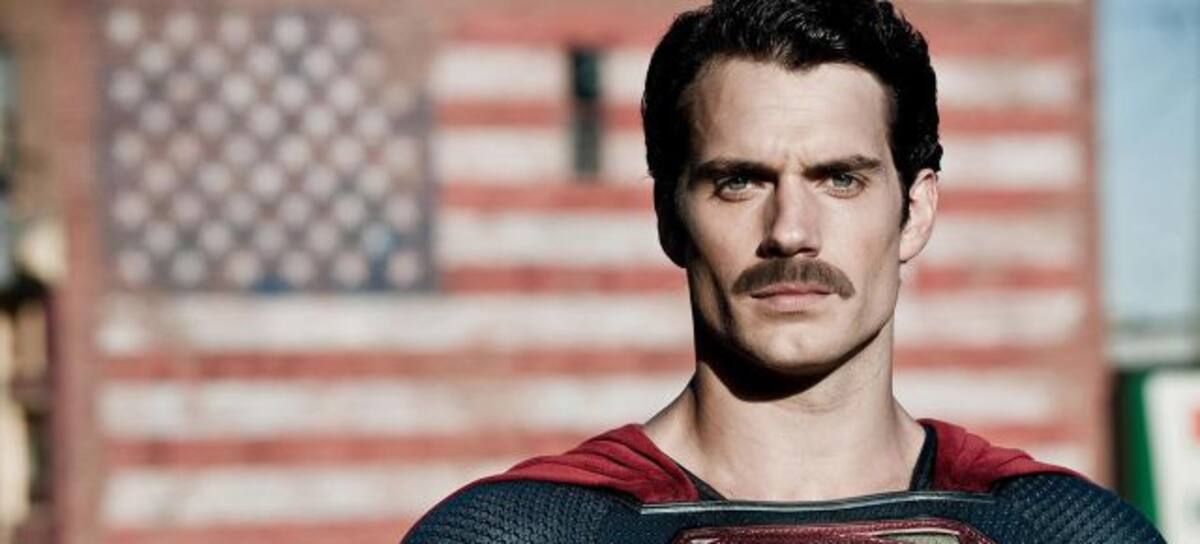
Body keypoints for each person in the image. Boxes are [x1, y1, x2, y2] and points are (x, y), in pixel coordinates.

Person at [403, 0, 1165, 542]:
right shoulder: (519, 532)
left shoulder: (1059, 530)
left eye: (841, 179)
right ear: (669, 215)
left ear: (916, 211)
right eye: (739, 181)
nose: (791, 233)